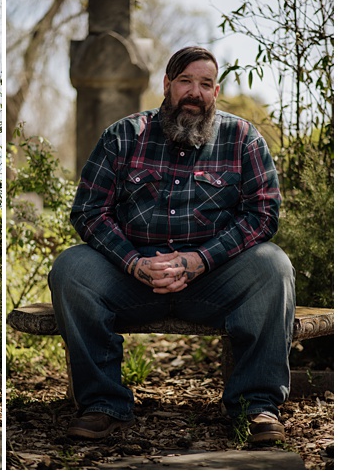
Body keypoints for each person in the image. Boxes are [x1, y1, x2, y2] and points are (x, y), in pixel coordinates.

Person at [50, 46, 294, 443]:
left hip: (214, 280)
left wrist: (201, 260)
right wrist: (133, 263)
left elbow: (263, 216)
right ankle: (102, 405)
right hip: (131, 279)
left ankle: (256, 408)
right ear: (166, 85)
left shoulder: (243, 139)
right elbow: (89, 212)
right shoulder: (123, 136)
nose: (195, 92)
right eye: (185, 81)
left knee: (273, 265)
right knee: (71, 268)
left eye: (205, 84)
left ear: (216, 92)